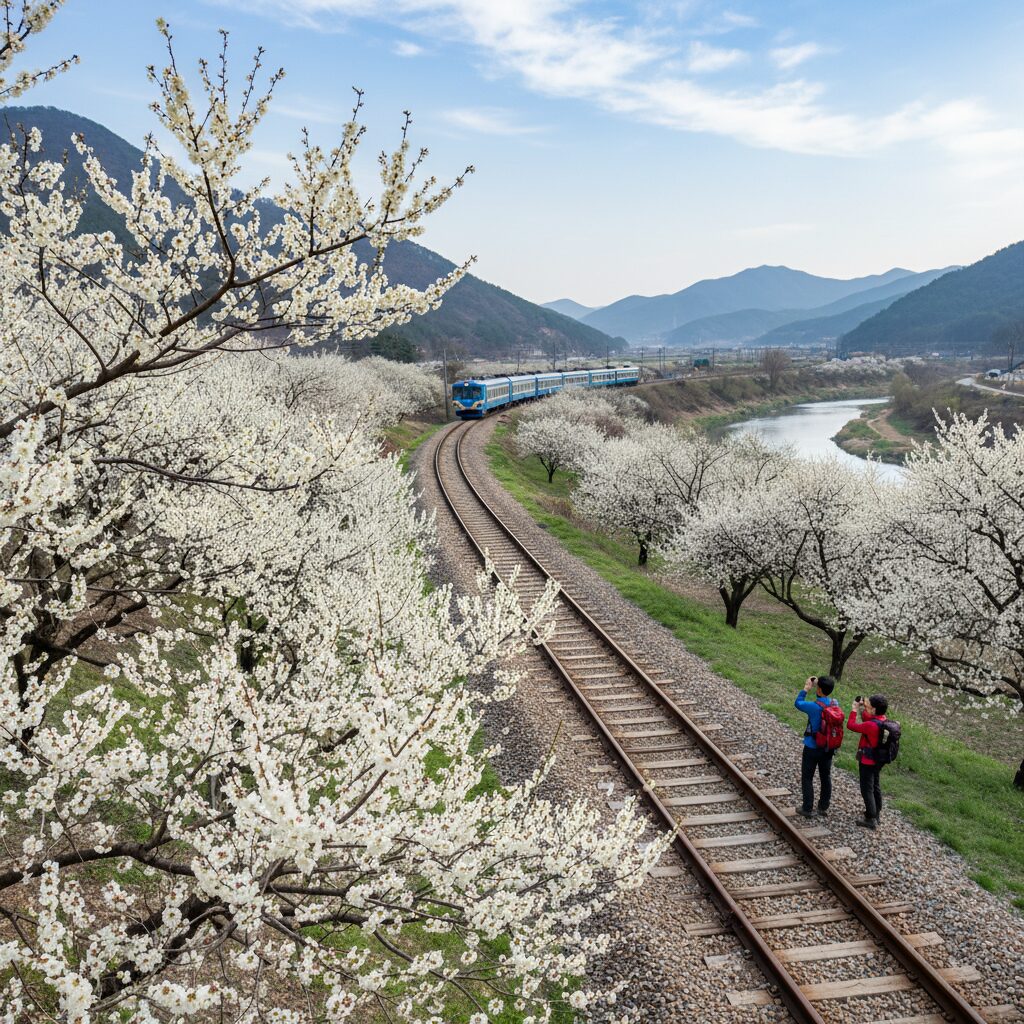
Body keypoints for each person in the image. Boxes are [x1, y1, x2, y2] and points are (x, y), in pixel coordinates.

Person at [794, 675, 840, 818]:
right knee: (825, 776)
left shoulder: (813, 707)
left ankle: (807, 808)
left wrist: (806, 688)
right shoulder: (835, 703)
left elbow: (798, 703)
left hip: (812, 747)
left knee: (807, 777)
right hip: (828, 748)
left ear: (818, 689)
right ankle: (823, 807)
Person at [848, 694, 889, 830]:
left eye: (869, 705)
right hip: (878, 760)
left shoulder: (871, 726)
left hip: (867, 760)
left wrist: (854, 709)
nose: (866, 707)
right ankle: (876, 813)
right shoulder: (883, 720)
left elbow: (851, 725)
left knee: (867, 789)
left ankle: (870, 818)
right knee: (875, 785)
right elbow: (868, 717)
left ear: (874, 710)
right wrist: (864, 707)